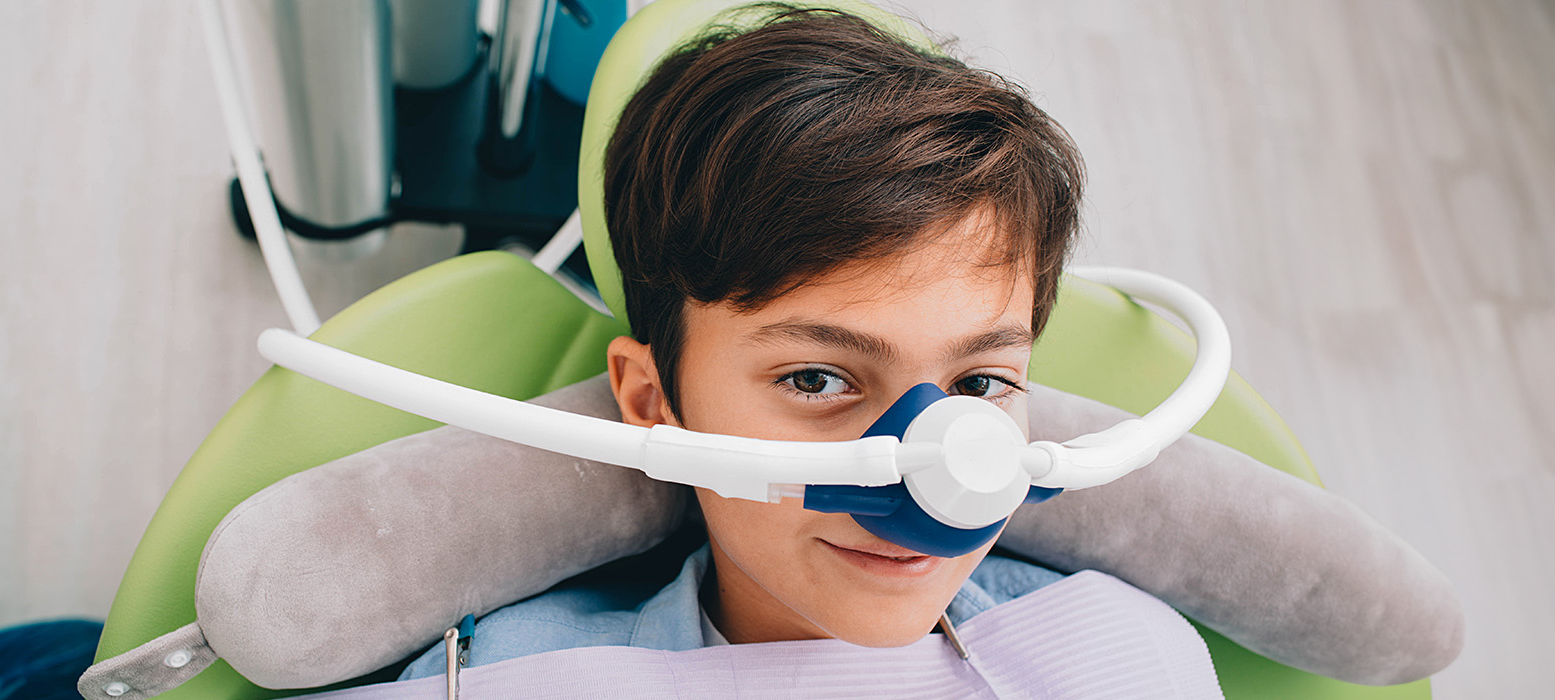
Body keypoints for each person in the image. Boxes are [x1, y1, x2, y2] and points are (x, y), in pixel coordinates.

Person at [399, 4, 1217, 688]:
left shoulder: (1129, 659)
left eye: (977, 386)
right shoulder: (503, 680)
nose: (923, 473)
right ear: (653, 403)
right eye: (819, 378)